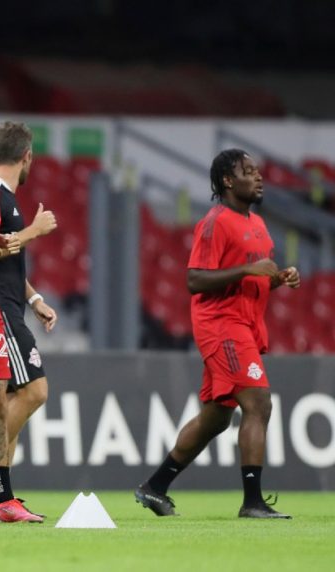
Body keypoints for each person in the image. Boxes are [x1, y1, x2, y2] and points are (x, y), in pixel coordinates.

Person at [135, 149, 298, 519]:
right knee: (258, 404)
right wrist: (246, 270)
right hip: (222, 327)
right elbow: (194, 280)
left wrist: (279, 279)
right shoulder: (215, 223)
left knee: (216, 418)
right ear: (228, 180)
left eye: (257, 171)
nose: (258, 177)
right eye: (248, 171)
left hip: (245, 325)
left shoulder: (256, 223)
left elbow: (253, 278)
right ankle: (252, 502)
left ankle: (154, 487)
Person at [0, 121, 58, 520]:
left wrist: (33, 297)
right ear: (27, 156)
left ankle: (3, 498)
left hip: (14, 302)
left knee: (11, 398)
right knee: (34, 392)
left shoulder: (6, 197)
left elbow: (9, 254)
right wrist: (34, 230)